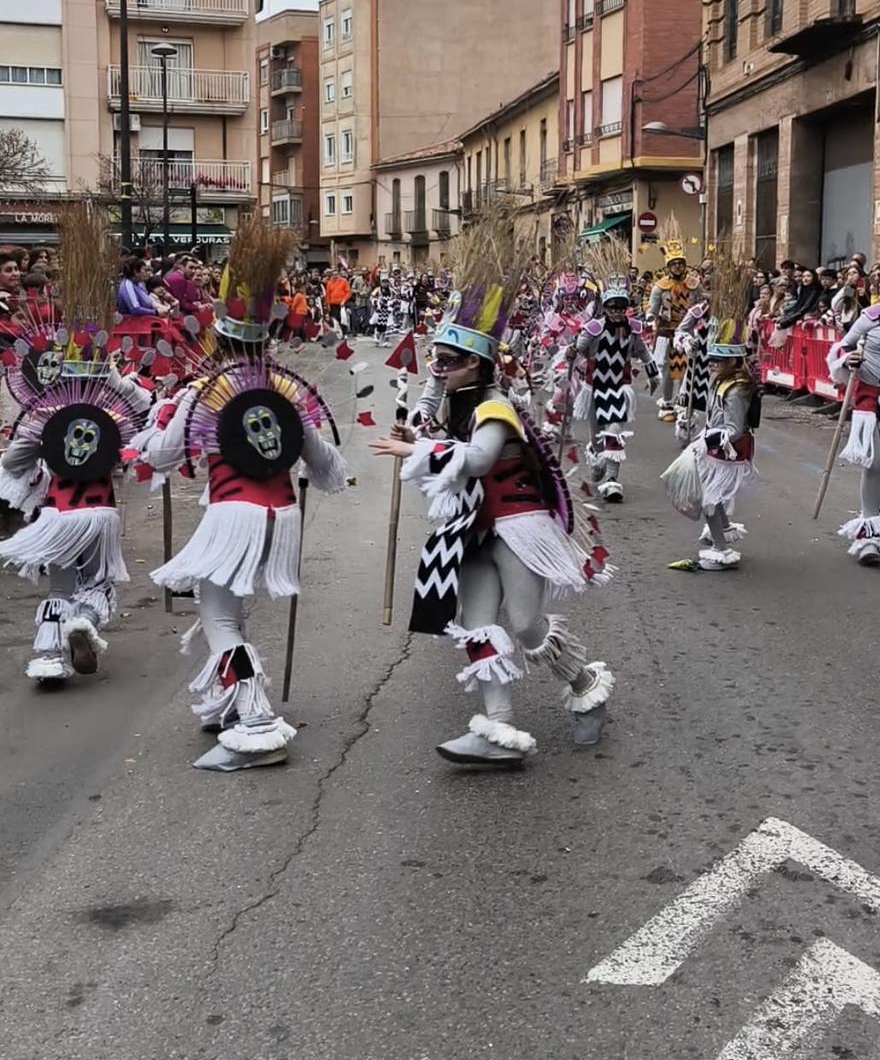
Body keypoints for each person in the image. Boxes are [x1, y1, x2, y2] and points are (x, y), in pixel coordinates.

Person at [371, 216, 614, 767]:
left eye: (450, 360)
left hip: (517, 524)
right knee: (477, 624)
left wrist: (417, 451)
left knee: (525, 624)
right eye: (438, 357)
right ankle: (498, 730)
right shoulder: (457, 399)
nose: (440, 366)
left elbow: (478, 460)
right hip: (475, 529)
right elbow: (435, 433)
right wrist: (428, 400)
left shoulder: (495, 406)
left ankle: (585, 683)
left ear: (476, 364)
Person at [139, 217, 347, 771]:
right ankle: (228, 702)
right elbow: (326, 466)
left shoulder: (205, 390)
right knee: (230, 608)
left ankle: (255, 721)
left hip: (235, 513)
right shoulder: (285, 392)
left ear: (219, 336)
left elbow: (161, 455)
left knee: (220, 620)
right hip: (283, 513)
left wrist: (161, 417)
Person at [0, 204, 151, 684]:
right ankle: (86, 619)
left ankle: (47, 658)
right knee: (98, 580)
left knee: (57, 582)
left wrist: (24, 464)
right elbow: (145, 408)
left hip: (56, 512)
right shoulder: (113, 404)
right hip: (101, 512)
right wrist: (116, 379)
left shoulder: (43, 412)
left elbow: (14, 459)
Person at [662, 287, 759, 572]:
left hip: (727, 451)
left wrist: (706, 440)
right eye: (712, 358)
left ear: (733, 360)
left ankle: (721, 548)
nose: (713, 363)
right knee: (709, 498)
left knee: (709, 499)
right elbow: (681, 331)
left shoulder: (737, 388)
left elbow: (735, 428)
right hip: (715, 446)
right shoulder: (721, 379)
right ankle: (721, 532)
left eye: (719, 360)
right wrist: (687, 343)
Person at [572, 251, 659, 503]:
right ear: (605, 307)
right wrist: (572, 351)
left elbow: (644, 353)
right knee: (597, 435)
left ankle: (612, 480)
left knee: (614, 431)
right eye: (613, 307)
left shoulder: (632, 331)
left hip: (620, 388)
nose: (618, 312)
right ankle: (597, 457)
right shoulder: (594, 328)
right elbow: (579, 346)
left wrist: (654, 375)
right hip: (594, 388)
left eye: (622, 307)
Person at [827, 305, 880, 565]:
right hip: (873, 401)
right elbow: (843, 346)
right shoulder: (872, 316)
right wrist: (850, 359)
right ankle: (870, 536)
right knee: (875, 465)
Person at [646, 219, 692, 421]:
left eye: (680, 263)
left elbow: (700, 304)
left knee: (682, 369)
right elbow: (652, 307)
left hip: (686, 331)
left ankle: (682, 402)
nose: (677, 267)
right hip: (667, 330)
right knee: (668, 370)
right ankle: (666, 403)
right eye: (674, 264)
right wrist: (649, 318)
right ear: (668, 266)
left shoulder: (693, 284)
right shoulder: (660, 286)